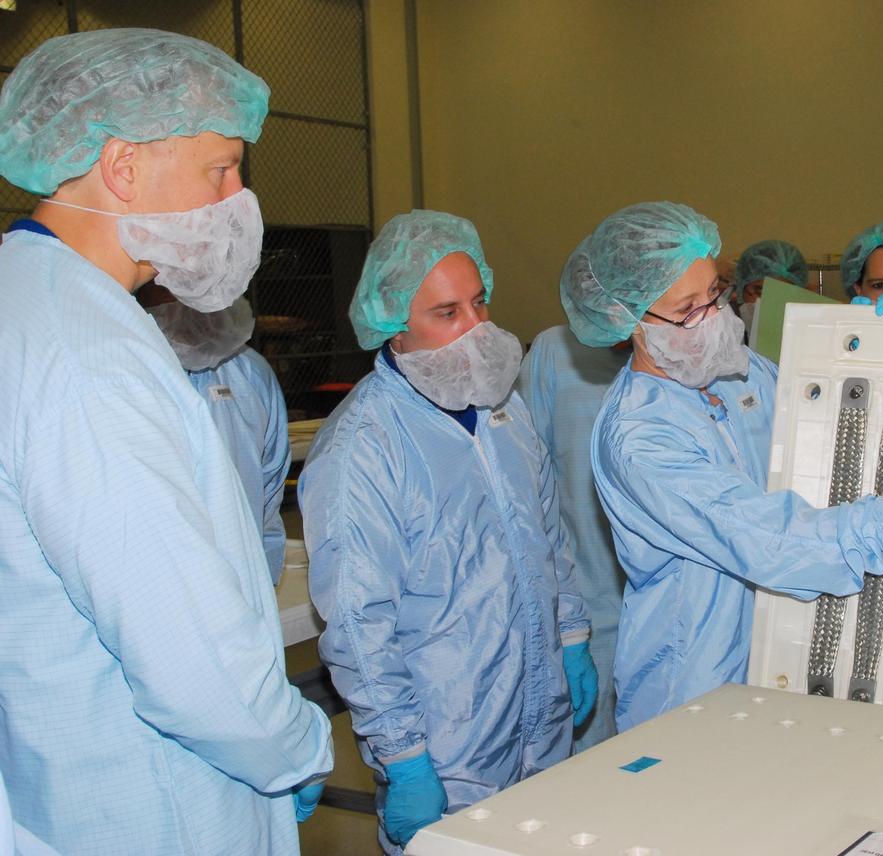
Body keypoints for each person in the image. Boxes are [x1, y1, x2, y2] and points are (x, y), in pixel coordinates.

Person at [560, 201, 883, 731]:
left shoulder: (738, 377)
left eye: (716, 294)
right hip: (691, 688)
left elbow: (839, 435)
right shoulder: (640, 438)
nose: (714, 318)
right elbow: (777, 541)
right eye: (688, 309)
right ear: (629, 319)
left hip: (780, 661)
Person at [0, 28, 332, 855]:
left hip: (69, 776)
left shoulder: (35, 300)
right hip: (160, 805)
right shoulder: (87, 355)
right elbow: (186, 655)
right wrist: (293, 743)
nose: (238, 196)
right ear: (123, 168)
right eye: (220, 168)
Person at [300, 210, 597, 854]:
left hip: (538, 714)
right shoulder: (362, 450)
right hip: (449, 744)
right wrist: (404, 757)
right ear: (395, 330)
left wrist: (570, 633)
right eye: (447, 313)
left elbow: (550, 537)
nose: (476, 328)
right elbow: (356, 623)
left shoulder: (503, 410)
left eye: (479, 302)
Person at [517, 323, 631, 751]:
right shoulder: (555, 353)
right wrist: (566, 627)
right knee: (590, 775)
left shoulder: (692, 352)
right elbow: (529, 483)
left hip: (674, 614)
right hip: (588, 606)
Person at [138, 288, 292, 583]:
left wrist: (263, 582)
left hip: (244, 582)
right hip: (160, 589)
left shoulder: (252, 373)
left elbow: (268, 493)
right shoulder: (128, 375)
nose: (195, 291)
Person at [733, 238, 809, 334]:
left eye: (783, 295)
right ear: (741, 290)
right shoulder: (725, 333)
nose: (771, 304)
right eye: (762, 292)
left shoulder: (805, 337)